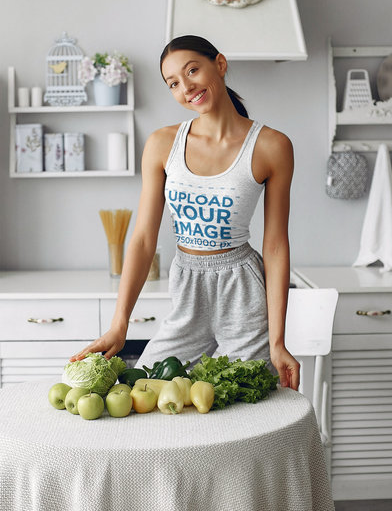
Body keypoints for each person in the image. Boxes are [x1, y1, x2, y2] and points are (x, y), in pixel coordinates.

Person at [70, 35, 300, 390]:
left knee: (241, 401)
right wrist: (119, 325)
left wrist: (277, 341)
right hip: (187, 286)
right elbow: (144, 240)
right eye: (173, 83)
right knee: (142, 388)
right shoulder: (163, 144)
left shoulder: (272, 146)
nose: (186, 87)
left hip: (242, 290)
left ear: (219, 65)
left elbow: (275, 246)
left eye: (193, 70)